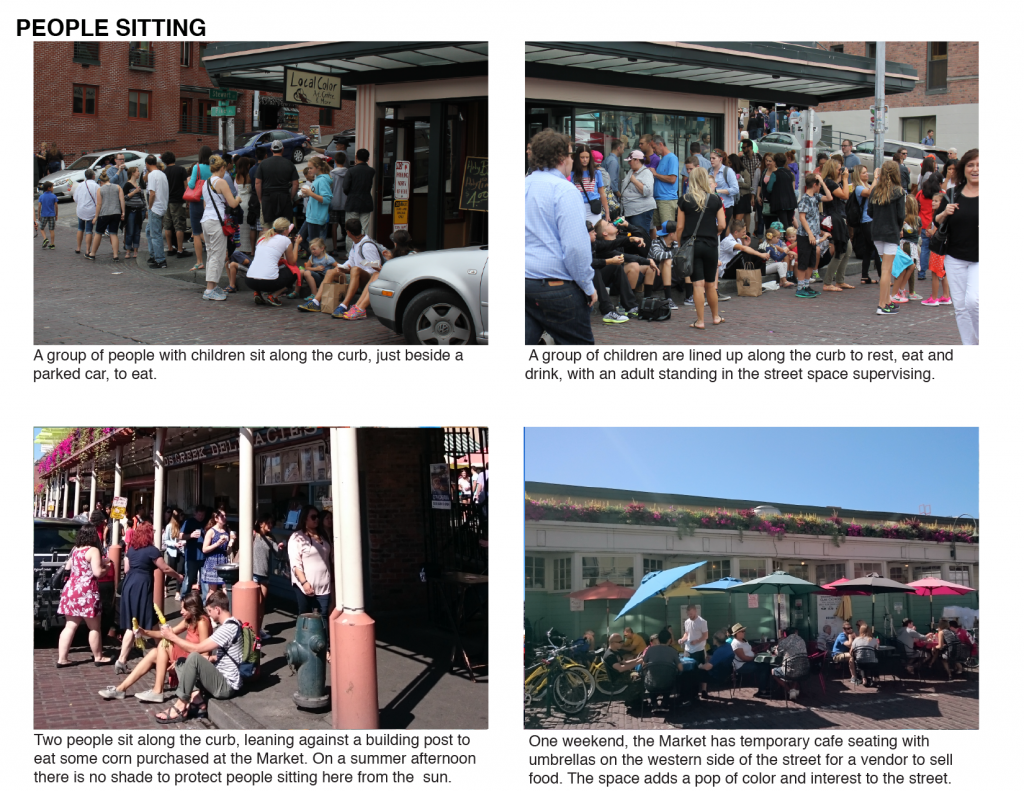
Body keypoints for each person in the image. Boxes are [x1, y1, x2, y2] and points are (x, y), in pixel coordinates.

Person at [524, 129, 596, 344]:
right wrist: (588, 286)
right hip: (555, 285)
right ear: (561, 157)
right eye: (571, 154)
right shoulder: (564, 189)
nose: (573, 159)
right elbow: (576, 248)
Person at [99, 590, 212, 703]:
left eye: (184, 609)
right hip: (186, 655)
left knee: (163, 644)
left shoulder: (202, 622)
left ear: (193, 609)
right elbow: (166, 634)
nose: (181, 611)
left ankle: (157, 691)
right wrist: (144, 632)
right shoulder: (189, 619)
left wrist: (183, 662)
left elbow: (205, 653)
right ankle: (121, 688)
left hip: (194, 661)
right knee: (154, 652)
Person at [154, 589, 245, 724]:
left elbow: (197, 648)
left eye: (209, 611)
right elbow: (229, 655)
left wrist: (172, 637)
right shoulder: (230, 625)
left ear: (217, 610)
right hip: (219, 676)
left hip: (226, 686)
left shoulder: (228, 628)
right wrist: (211, 659)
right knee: (181, 662)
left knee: (194, 656)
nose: (208, 614)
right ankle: (197, 701)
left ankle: (180, 705)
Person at [113, 522, 184, 674]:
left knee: (149, 621)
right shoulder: (152, 550)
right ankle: (123, 660)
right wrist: (178, 576)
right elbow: (164, 568)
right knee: (137, 624)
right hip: (141, 586)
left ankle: (162, 656)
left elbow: (126, 569)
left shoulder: (132, 549)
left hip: (129, 585)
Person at [934, 148, 978, 345]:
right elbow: (937, 221)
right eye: (971, 165)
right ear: (964, 169)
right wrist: (945, 213)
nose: (975, 169)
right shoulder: (953, 193)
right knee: (960, 306)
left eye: (979, 165)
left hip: (981, 258)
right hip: (955, 257)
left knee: (974, 302)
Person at [56, 524, 113, 667]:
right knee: (94, 627)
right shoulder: (93, 550)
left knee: (69, 626)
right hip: (87, 591)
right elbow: (97, 573)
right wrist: (107, 567)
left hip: (71, 590)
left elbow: (69, 568)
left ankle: (62, 659)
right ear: (92, 536)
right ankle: (98, 657)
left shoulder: (75, 550)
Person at [675, 167, 725, 330]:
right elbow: (723, 225)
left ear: (691, 180)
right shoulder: (715, 200)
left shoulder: (685, 200)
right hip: (711, 245)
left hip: (692, 245)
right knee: (711, 284)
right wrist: (712, 232)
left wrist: (680, 243)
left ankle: (700, 320)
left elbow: (680, 227)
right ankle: (716, 316)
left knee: (698, 285)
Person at [197, 155, 241, 301]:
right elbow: (233, 203)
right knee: (218, 255)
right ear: (222, 168)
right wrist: (240, 198)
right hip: (217, 221)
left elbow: (205, 205)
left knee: (211, 254)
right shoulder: (221, 182)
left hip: (206, 220)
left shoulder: (205, 183)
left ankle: (212, 286)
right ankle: (210, 289)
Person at [867, 161, 906, 315]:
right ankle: (882, 304)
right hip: (891, 232)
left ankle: (887, 301)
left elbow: (870, 212)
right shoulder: (898, 191)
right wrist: (898, 227)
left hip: (877, 231)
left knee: (885, 267)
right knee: (886, 270)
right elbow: (900, 215)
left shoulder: (875, 190)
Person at [289, 504, 332, 641]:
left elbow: (329, 559)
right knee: (306, 616)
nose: (316, 520)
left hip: (324, 584)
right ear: (305, 519)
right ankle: (303, 644)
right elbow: (296, 564)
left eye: (318, 517)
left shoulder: (323, 535)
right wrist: (304, 582)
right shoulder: (297, 538)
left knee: (323, 616)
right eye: (313, 517)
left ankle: (324, 647)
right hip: (305, 585)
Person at [332, 218, 384, 320]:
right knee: (332, 271)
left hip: (369, 277)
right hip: (358, 273)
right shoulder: (355, 243)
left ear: (348, 232)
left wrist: (357, 269)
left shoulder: (367, 246)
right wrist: (343, 267)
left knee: (355, 269)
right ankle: (316, 301)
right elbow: (351, 262)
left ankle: (344, 305)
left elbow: (375, 268)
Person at [245, 217, 301, 306]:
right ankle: (274, 295)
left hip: (249, 281)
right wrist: (297, 244)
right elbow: (292, 262)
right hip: (268, 282)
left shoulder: (262, 238)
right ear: (286, 231)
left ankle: (257, 293)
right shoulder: (285, 240)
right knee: (294, 271)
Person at [794, 172, 832, 298]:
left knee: (811, 261)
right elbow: (802, 218)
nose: (820, 187)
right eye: (819, 185)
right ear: (814, 185)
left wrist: (822, 181)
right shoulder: (805, 199)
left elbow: (829, 197)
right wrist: (810, 233)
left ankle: (806, 285)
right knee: (803, 261)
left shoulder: (815, 197)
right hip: (805, 235)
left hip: (813, 234)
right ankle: (800, 287)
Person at [819, 159, 853, 292]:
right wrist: (845, 179)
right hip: (835, 218)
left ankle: (840, 280)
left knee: (847, 249)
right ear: (833, 169)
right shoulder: (829, 182)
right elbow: (845, 196)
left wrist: (841, 178)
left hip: (839, 217)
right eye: (839, 169)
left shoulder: (831, 182)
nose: (841, 171)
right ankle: (827, 282)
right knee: (841, 250)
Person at [919, 176, 953, 307]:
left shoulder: (940, 216)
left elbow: (939, 231)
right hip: (943, 248)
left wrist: (931, 232)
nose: (933, 203)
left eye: (936, 201)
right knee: (943, 273)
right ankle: (945, 296)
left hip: (938, 248)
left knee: (934, 272)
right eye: (932, 201)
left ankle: (933, 298)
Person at [252, 511, 284, 637]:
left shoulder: (271, 538)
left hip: (264, 574)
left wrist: (281, 548)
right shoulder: (254, 535)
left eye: (272, 523)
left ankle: (258, 629)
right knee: (255, 602)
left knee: (261, 603)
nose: (270, 525)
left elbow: (278, 554)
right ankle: (252, 630)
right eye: (268, 523)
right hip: (253, 573)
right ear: (261, 523)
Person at [850, 164, 882, 284]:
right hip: (866, 221)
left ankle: (864, 276)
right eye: (863, 173)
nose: (866, 174)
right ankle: (882, 276)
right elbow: (870, 193)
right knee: (878, 248)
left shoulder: (867, 185)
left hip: (871, 220)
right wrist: (875, 178)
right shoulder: (858, 187)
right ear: (858, 175)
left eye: (866, 172)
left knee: (868, 249)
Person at [257, 140, 299, 228]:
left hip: (268, 198)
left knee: (267, 228)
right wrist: (290, 198)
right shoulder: (289, 164)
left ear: (271, 150)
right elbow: (295, 184)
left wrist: (260, 198)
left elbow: (257, 183)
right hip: (284, 198)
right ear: (282, 149)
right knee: (284, 227)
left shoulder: (263, 164)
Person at [86, 171, 125, 261]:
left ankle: (93, 253)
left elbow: (99, 204)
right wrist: (123, 212)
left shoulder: (100, 189)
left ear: (101, 182)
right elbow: (122, 199)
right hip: (116, 213)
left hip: (104, 214)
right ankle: (115, 255)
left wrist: (96, 216)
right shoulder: (118, 187)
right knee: (113, 233)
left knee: (98, 233)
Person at [342, 147, 375, 245]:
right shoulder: (371, 171)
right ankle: (363, 250)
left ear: (356, 157)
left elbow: (345, 188)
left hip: (353, 202)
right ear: (368, 158)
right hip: (366, 202)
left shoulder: (351, 171)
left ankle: (350, 254)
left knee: (350, 229)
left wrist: (351, 194)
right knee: (364, 228)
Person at [570, 144, 609, 227]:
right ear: (578, 158)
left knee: (595, 233)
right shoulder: (572, 174)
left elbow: (602, 193)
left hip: (593, 208)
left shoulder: (596, 173)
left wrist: (607, 212)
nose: (585, 160)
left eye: (587, 157)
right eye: (582, 157)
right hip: (578, 207)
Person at [620, 149, 656, 235]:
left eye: (630, 161)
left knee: (641, 234)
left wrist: (635, 181)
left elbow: (647, 191)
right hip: (629, 210)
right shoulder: (631, 171)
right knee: (632, 235)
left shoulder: (646, 173)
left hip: (641, 210)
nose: (629, 163)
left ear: (637, 160)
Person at [143, 155, 169, 269]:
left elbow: (152, 193)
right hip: (162, 206)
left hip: (155, 207)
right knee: (150, 231)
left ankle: (160, 260)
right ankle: (154, 255)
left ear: (147, 164)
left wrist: (149, 207)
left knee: (155, 234)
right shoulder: (162, 174)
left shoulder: (152, 175)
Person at [729, 623, 770, 696]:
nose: (744, 632)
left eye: (744, 631)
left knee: (767, 665)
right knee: (763, 668)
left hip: (749, 661)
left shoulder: (743, 640)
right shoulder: (736, 643)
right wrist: (754, 658)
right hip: (742, 665)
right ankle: (762, 691)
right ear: (737, 633)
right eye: (742, 631)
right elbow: (743, 658)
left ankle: (765, 687)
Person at [200, 509, 232, 598]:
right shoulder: (211, 531)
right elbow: (204, 549)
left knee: (226, 587)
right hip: (213, 561)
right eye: (222, 516)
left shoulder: (227, 530)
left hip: (224, 560)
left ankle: (226, 608)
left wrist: (231, 542)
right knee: (212, 590)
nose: (225, 518)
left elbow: (228, 547)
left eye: (225, 516)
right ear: (216, 519)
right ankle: (209, 609)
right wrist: (217, 543)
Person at [707, 149, 739, 238]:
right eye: (710, 158)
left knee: (722, 230)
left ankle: (721, 250)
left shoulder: (728, 171)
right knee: (712, 229)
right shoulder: (709, 171)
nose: (711, 160)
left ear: (720, 159)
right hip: (711, 205)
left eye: (714, 158)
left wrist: (718, 191)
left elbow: (735, 189)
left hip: (725, 205)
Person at [772, 625, 808, 700]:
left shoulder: (784, 641)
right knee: (797, 669)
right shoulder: (802, 640)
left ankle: (789, 690)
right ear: (796, 632)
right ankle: (794, 688)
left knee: (773, 671)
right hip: (804, 669)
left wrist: (776, 648)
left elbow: (778, 654)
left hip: (789, 671)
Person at [649, 136, 679, 227]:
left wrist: (656, 174)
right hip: (658, 199)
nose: (653, 150)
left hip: (667, 199)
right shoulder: (662, 159)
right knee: (660, 230)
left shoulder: (672, 158)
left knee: (667, 230)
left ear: (661, 144)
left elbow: (672, 179)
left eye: (654, 147)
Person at [180, 504, 207, 598]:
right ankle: (184, 598)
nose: (201, 517)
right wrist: (191, 536)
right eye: (199, 515)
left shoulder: (206, 523)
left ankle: (205, 602)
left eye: (202, 515)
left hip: (204, 556)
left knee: (205, 580)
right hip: (191, 555)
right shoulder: (189, 522)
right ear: (195, 514)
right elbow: (180, 536)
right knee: (188, 579)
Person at [121, 167, 146, 259]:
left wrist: (145, 209)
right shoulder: (127, 185)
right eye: (137, 171)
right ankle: (128, 250)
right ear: (132, 173)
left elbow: (143, 198)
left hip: (140, 211)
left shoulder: (138, 184)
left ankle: (136, 250)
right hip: (130, 211)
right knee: (130, 231)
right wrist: (134, 192)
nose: (138, 173)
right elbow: (124, 198)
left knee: (137, 231)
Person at [72, 169, 99, 256]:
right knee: (89, 230)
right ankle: (87, 249)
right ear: (93, 176)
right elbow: (98, 200)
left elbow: (75, 198)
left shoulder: (80, 185)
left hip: (81, 209)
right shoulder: (96, 186)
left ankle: (78, 247)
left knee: (80, 228)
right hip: (91, 210)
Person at [327, 152, 348, 254]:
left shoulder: (332, 174)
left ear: (335, 161)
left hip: (334, 203)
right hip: (346, 203)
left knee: (334, 226)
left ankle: (335, 248)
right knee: (347, 226)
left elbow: (329, 189)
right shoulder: (349, 173)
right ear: (344, 161)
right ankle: (348, 246)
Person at [162, 510, 184, 579]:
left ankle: (178, 589)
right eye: (181, 515)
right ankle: (166, 584)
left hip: (181, 551)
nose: (182, 517)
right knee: (172, 569)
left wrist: (184, 542)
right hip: (172, 551)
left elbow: (184, 537)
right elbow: (166, 540)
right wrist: (174, 544)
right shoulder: (169, 526)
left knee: (179, 570)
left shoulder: (183, 525)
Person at [37, 181, 58, 250]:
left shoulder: (41, 196)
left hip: (44, 215)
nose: (53, 188)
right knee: (51, 229)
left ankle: (45, 238)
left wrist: (38, 215)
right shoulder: (53, 196)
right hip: (52, 215)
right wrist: (56, 214)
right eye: (52, 187)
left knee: (42, 228)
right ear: (49, 188)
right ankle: (52, 244)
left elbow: (39, 206)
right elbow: (56, 206)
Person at [605, 139, 623, 203]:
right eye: (623, 149)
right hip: (611, 195)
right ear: (618, 148)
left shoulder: (607, 159)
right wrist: (617, 192)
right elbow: (612, 179)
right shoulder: (613, 161)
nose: (623, 151)